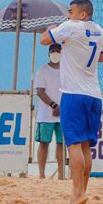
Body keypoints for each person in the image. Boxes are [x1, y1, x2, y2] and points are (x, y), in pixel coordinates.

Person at [40, 0, 103, 204]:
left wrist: (52, 29)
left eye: (71, 11)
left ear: (82, 14)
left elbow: (44, 40)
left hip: (73, 94)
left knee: (74, 145)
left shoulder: (71, 26)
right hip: (94, 94)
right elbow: (102, 58)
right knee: (86, 146)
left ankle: (77, 192)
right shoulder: (100, 31)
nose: (68, 14)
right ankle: (82, 191)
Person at [34, 43, 64, 180]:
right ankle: (41, 174)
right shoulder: (42, 71)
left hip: (63, 114)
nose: (55, 53)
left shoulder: (66, 71)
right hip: (46, 115)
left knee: (62, 144)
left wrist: (61, 108)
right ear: (48, 53)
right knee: (44, 143)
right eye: (53, 51)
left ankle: (61, 174)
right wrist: (53, 105)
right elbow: (40, 92)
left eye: (58, 51)